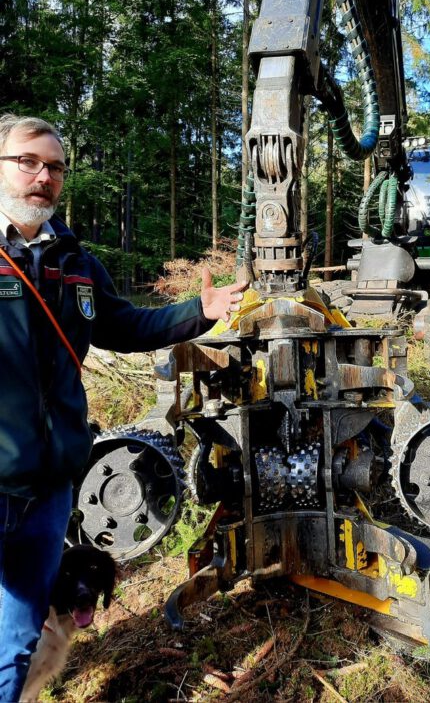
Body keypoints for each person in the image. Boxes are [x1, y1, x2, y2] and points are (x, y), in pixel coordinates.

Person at [0, 113, 247, 701]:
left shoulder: (75, 262)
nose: (44, 177)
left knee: (16, 637)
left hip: (50, 489)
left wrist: (200, 311)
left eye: (55, 167)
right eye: (28, 162)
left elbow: (128, 325)